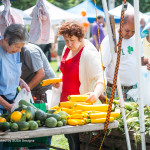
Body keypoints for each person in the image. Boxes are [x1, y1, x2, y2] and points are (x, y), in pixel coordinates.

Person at [51, 21, 105, 150]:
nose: (69, 44)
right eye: (66, 40)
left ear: (81, 37)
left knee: (76, 140)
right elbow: (65, 72)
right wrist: (59, 80)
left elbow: (101, 77)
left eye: (72, 40)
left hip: (79, 104)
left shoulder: (88, 54)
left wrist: (96, 93)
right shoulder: (66, 49)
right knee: (68, 137)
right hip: (64, 102)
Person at [101, 14, 150, 102]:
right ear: (121, 24)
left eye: (133, 31)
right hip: (114, 89)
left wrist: (148, 60)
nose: (130, 34)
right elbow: (101, 67)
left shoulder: (136, 38)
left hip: (133, 90)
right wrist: (99, 92)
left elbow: (140, 60)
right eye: (127, 30)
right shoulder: (111, 40)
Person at [21, 43, 56, 150]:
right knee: (32, 130)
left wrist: (25, 91)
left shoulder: (30, 51)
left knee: (41, 134)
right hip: (31, 94)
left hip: (42, 95)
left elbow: (41, 74)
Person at [0, 24, 30, 150]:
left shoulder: (15, 51)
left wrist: (21, 81)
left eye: (21, 47)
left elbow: (12, 71)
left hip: (11, 103)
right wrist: (7, 106)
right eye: (17, 47)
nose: (19, 50)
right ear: (6, 40)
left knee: (12, 145)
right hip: (3, 105)